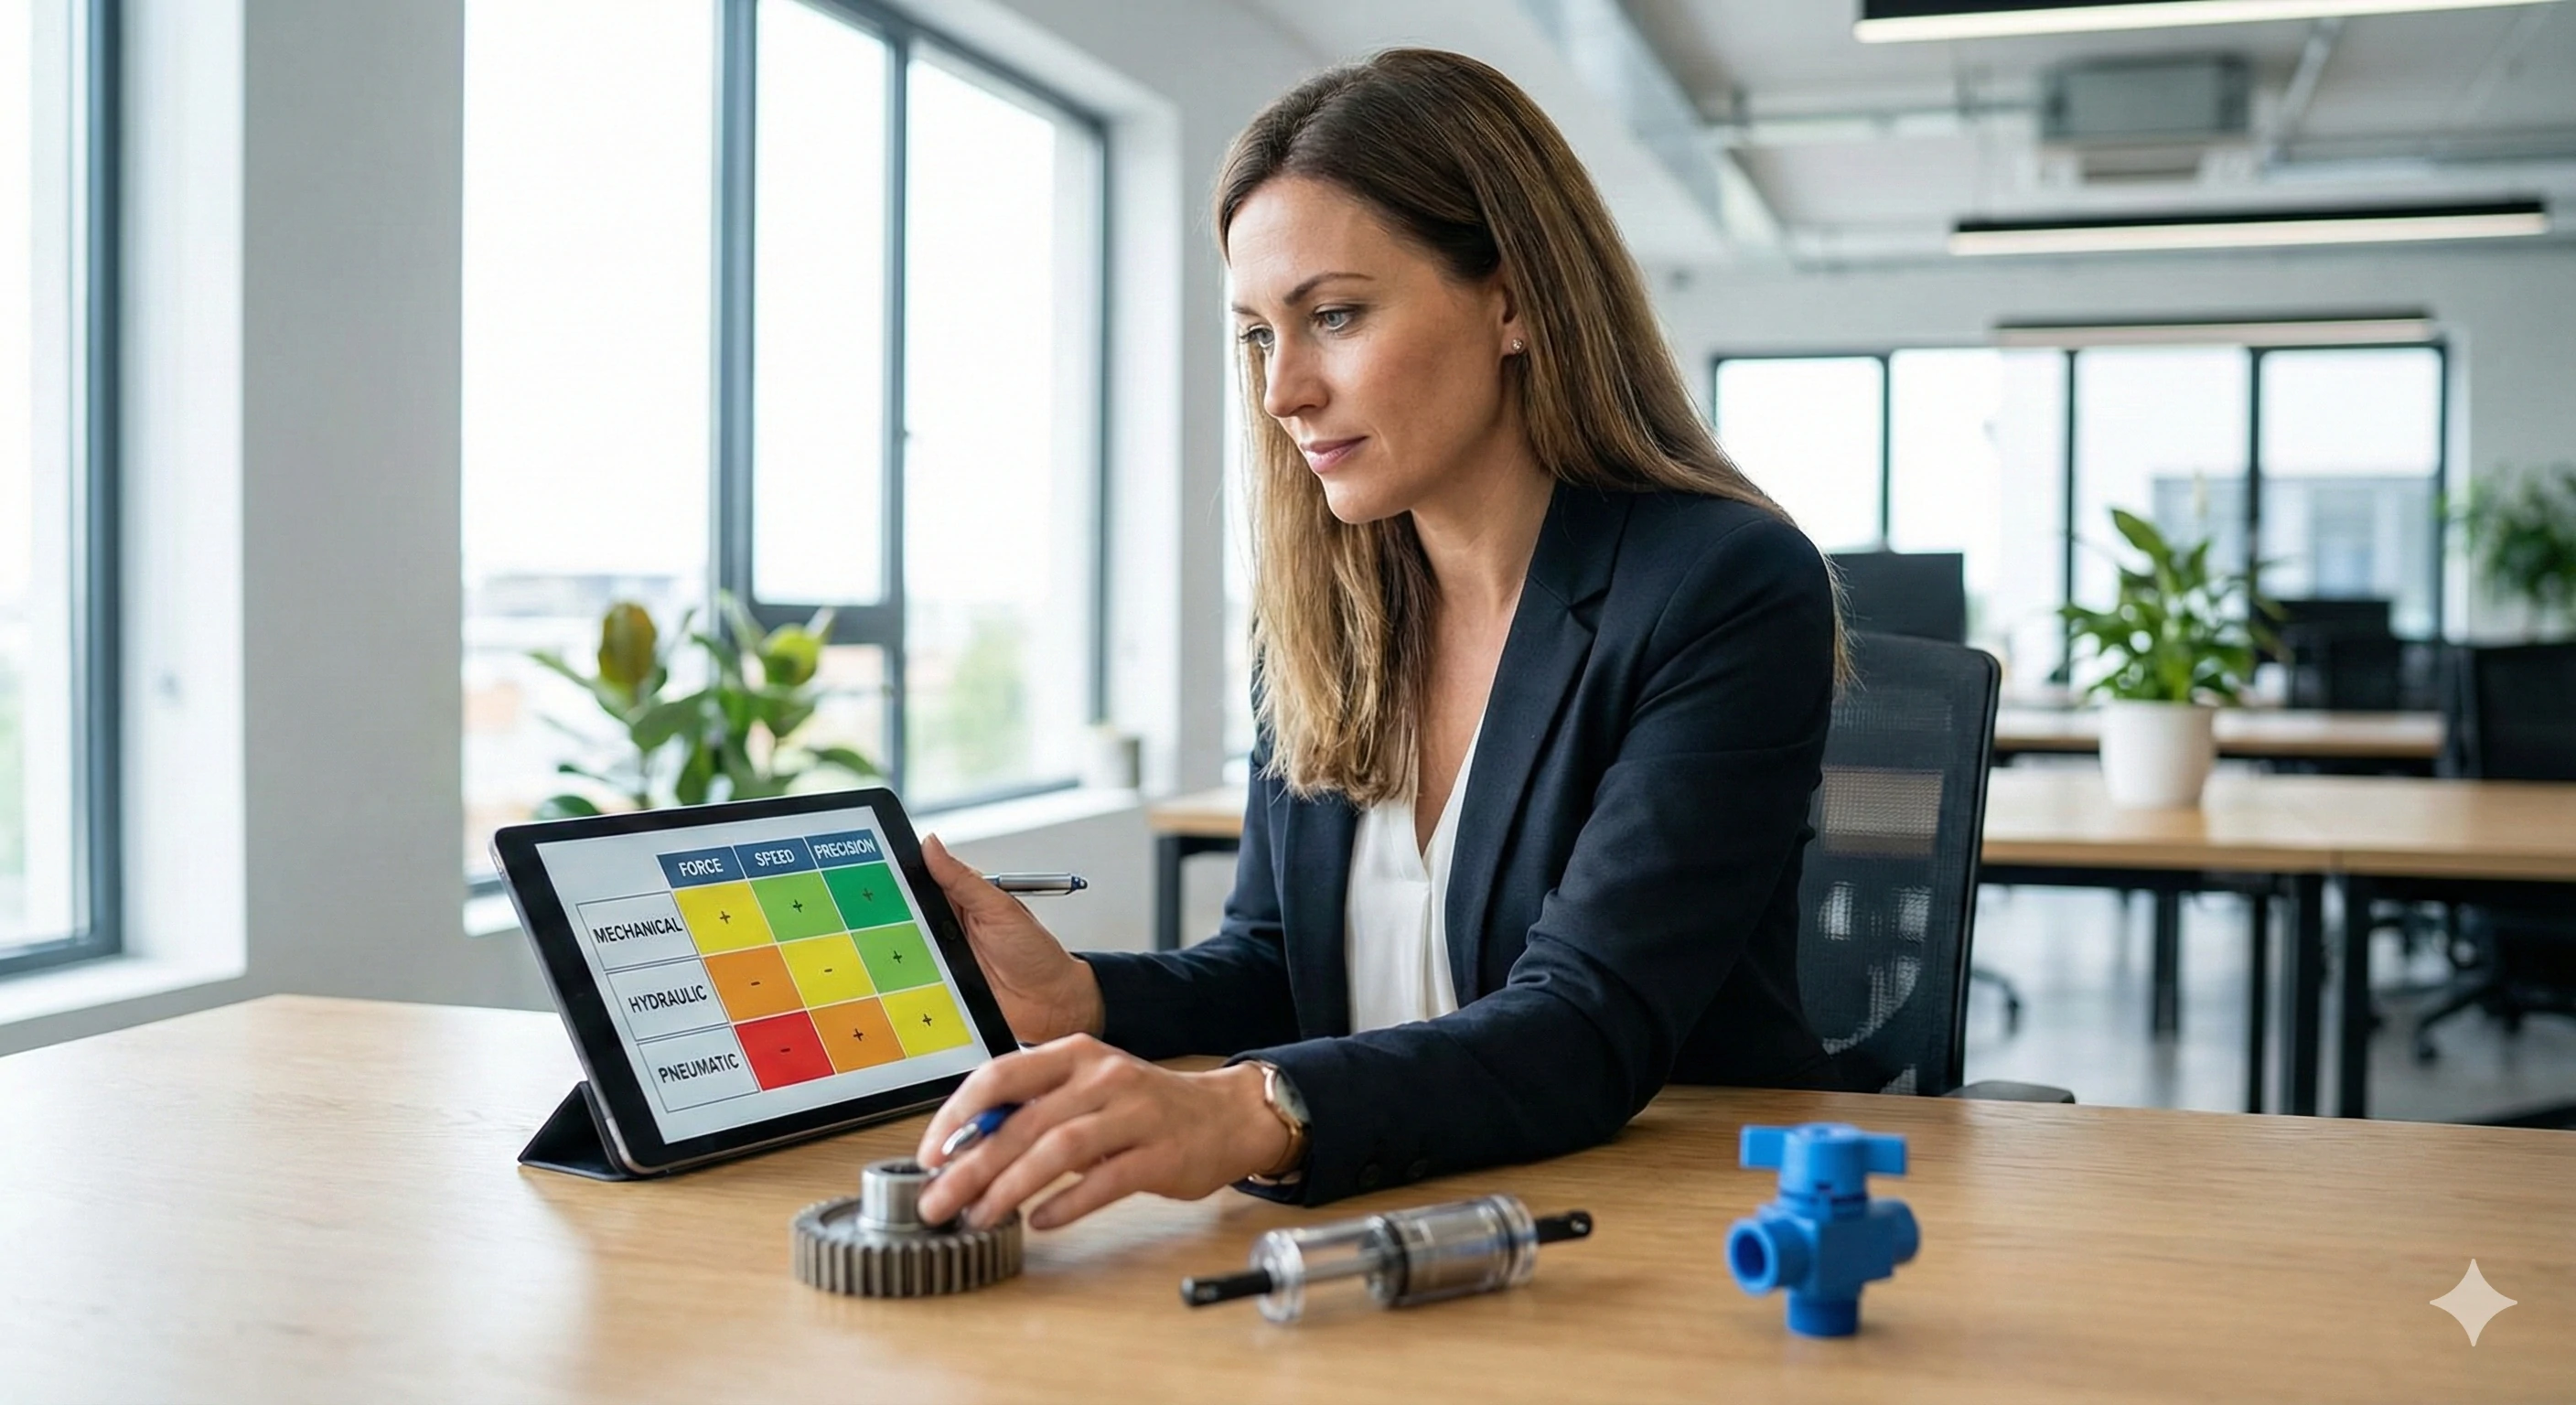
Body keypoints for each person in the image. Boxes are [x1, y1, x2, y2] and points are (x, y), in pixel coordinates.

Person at [911, 47, 1839, 1233]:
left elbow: (1585, 1023)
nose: (1282, 390)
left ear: (1512, 300)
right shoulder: (1317, 617)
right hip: (1395, 1220)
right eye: (1257, 335)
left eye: (1333, 316)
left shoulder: (1722, 586)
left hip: (1671, 1228)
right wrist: (1083, 995)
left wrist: (1246, 1111)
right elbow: (1278, 963)